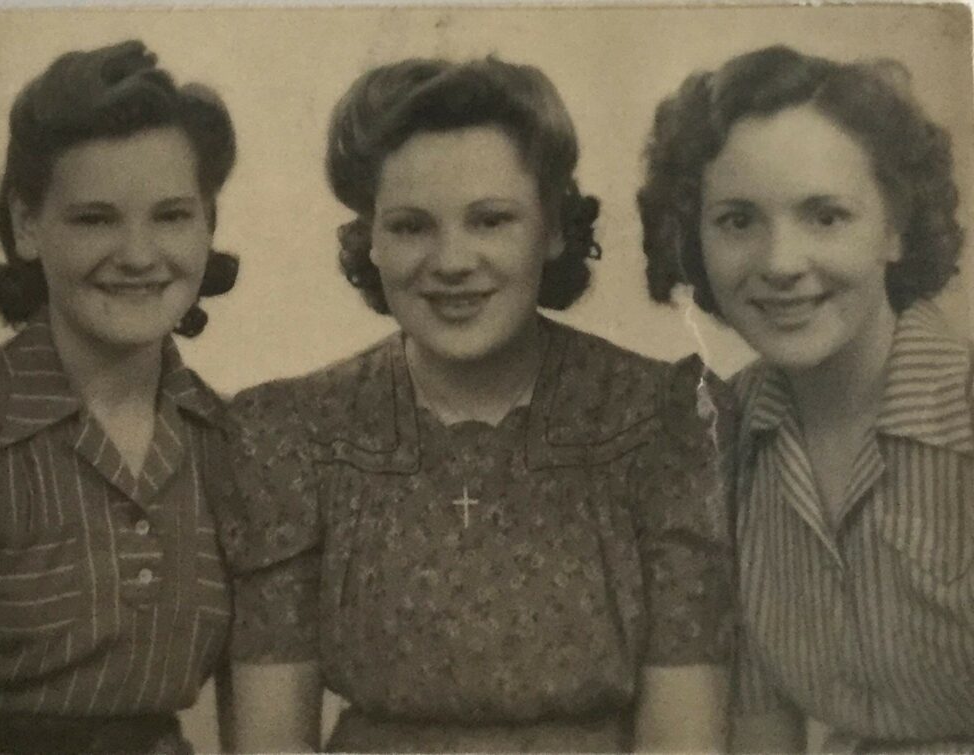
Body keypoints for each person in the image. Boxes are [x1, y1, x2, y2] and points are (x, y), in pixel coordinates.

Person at [214, 56, 732, 754]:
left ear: (552, 228)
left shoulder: (657, 420)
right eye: (410, 226)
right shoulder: (295, 435)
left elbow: (683, 737)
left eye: (490, 220)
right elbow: (271, 742)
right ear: (368, 238)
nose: (452, 260)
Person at [638, 44, 972, 752]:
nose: (781, 262)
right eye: (737, 220)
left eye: (825, 216)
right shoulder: (725, 438)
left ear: (895, 228)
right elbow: (764, 729)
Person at [0, 40, 239, 754]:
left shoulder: (228, 438)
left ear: (208, 224)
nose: (139, 254)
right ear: (26, 224)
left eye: (171, 215)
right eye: (95, 218)